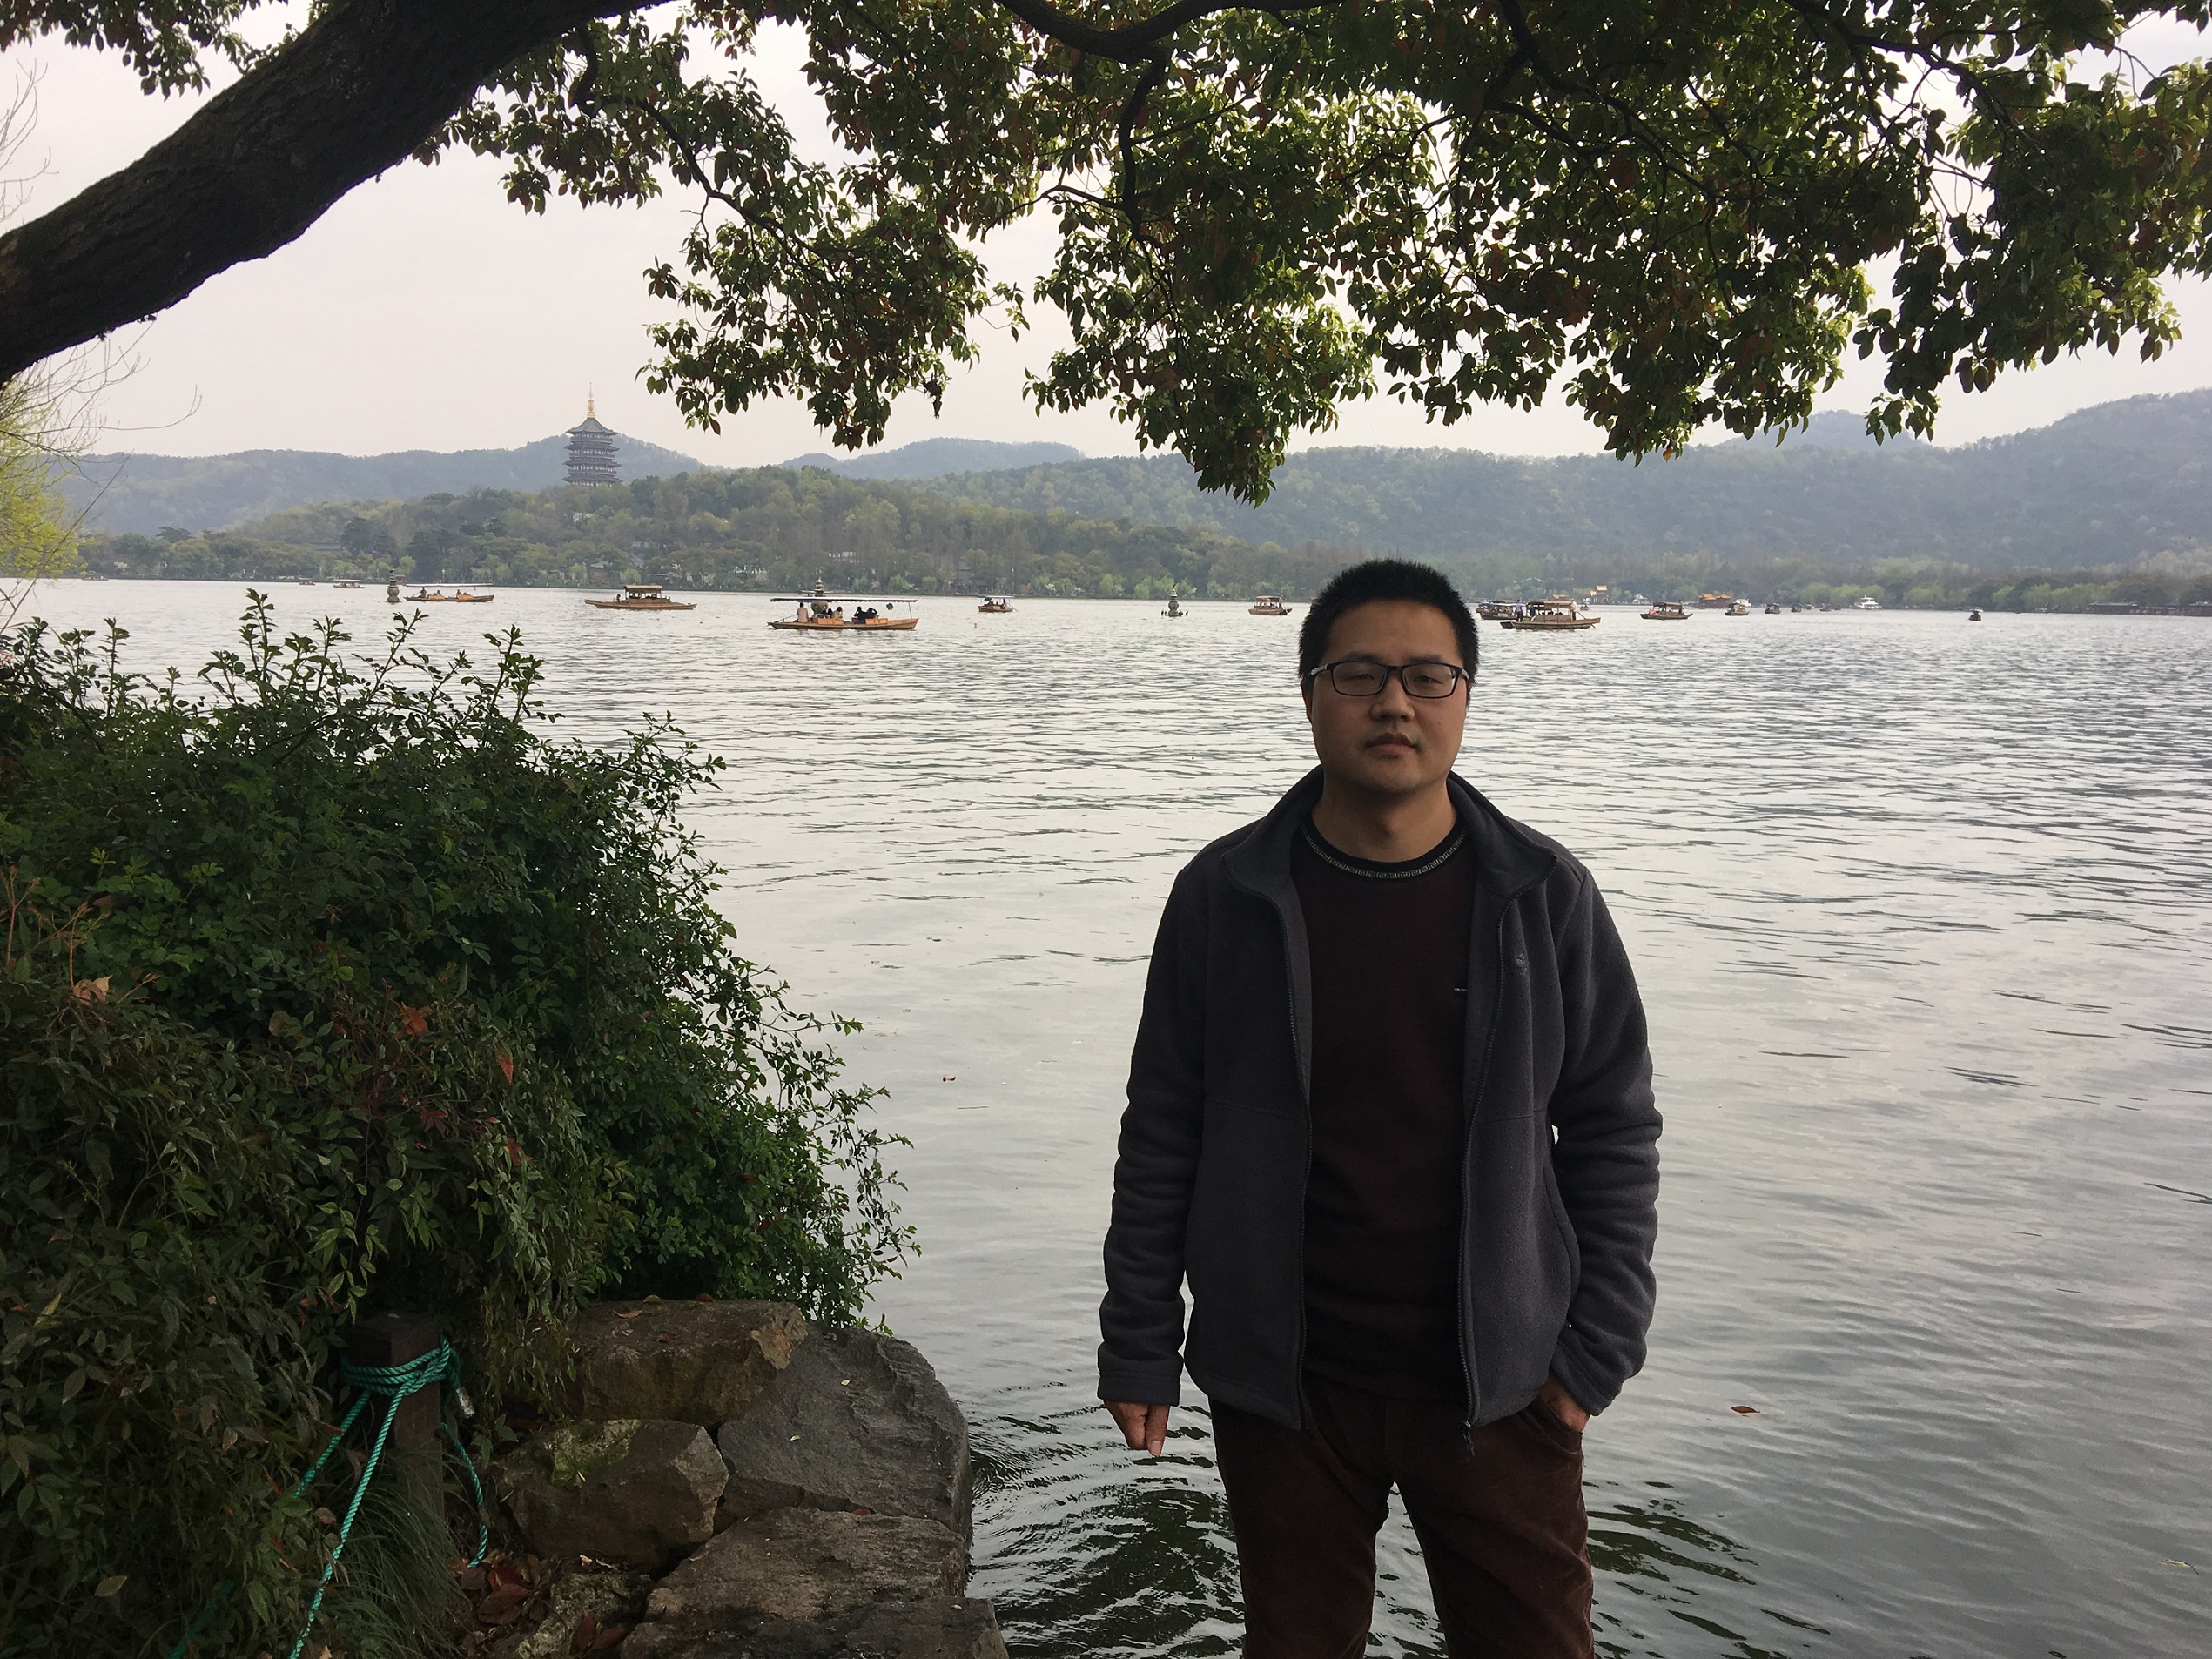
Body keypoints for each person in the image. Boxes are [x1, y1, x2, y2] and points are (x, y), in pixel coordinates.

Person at [1098, 558, 1661, 1659]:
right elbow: (1164, 1123)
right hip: (1288, 1388)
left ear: (1464, 697)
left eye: (1426, 676)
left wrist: (1594, 1353)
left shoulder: (1544, 897)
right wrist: (1139, 1339)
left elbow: (1612, 1126)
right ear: (1310, 693)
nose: (1394, 702)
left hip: (1502, 1386)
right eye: (1359, 674)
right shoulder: (1227, 894)